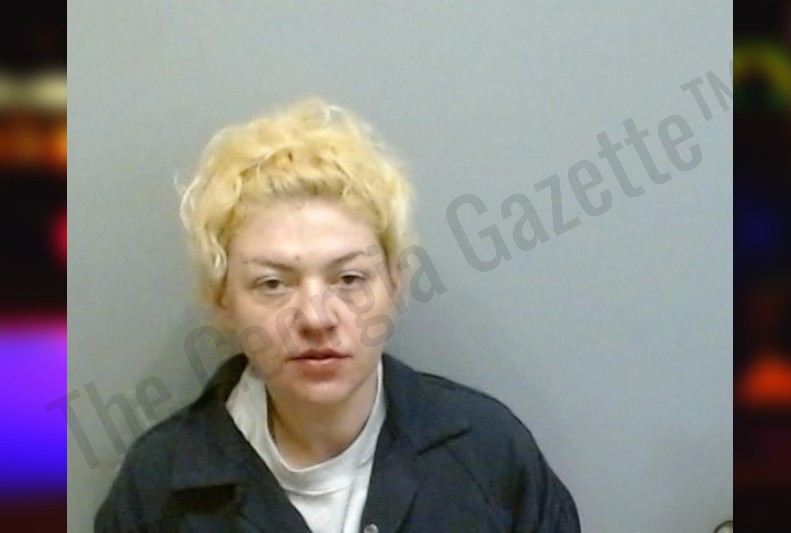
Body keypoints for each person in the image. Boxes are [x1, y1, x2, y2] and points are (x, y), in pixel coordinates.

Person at [95, 99, 581, 532]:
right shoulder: (159, 487)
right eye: (273, 283)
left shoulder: (488, 454)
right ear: (223, 299)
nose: (316, 317)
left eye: (349, 278)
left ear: (394, 283)